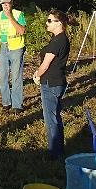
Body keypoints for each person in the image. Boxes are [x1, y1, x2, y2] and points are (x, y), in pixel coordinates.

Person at [33, 9, 72, 160]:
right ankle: (58, 150)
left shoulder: (58, 41)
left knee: (51, 120)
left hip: (51, 83)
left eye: (50, 21)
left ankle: (54, 154)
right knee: (55, 117)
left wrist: (37, 75)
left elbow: (45, 64)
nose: (46, 23)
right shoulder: (59, 39)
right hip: (56, 81)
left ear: (59, 23)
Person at [0, 0, 26, 112]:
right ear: (1, 4)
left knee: (16, 77)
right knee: (3, 77)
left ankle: (17, 105)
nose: (5, 5)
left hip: (16, 48)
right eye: (3, 3)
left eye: (8, 3)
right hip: (1, 49)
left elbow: (22, 31)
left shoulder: (18, 14)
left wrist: (10, 17)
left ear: (12, 3)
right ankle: (6, 102)